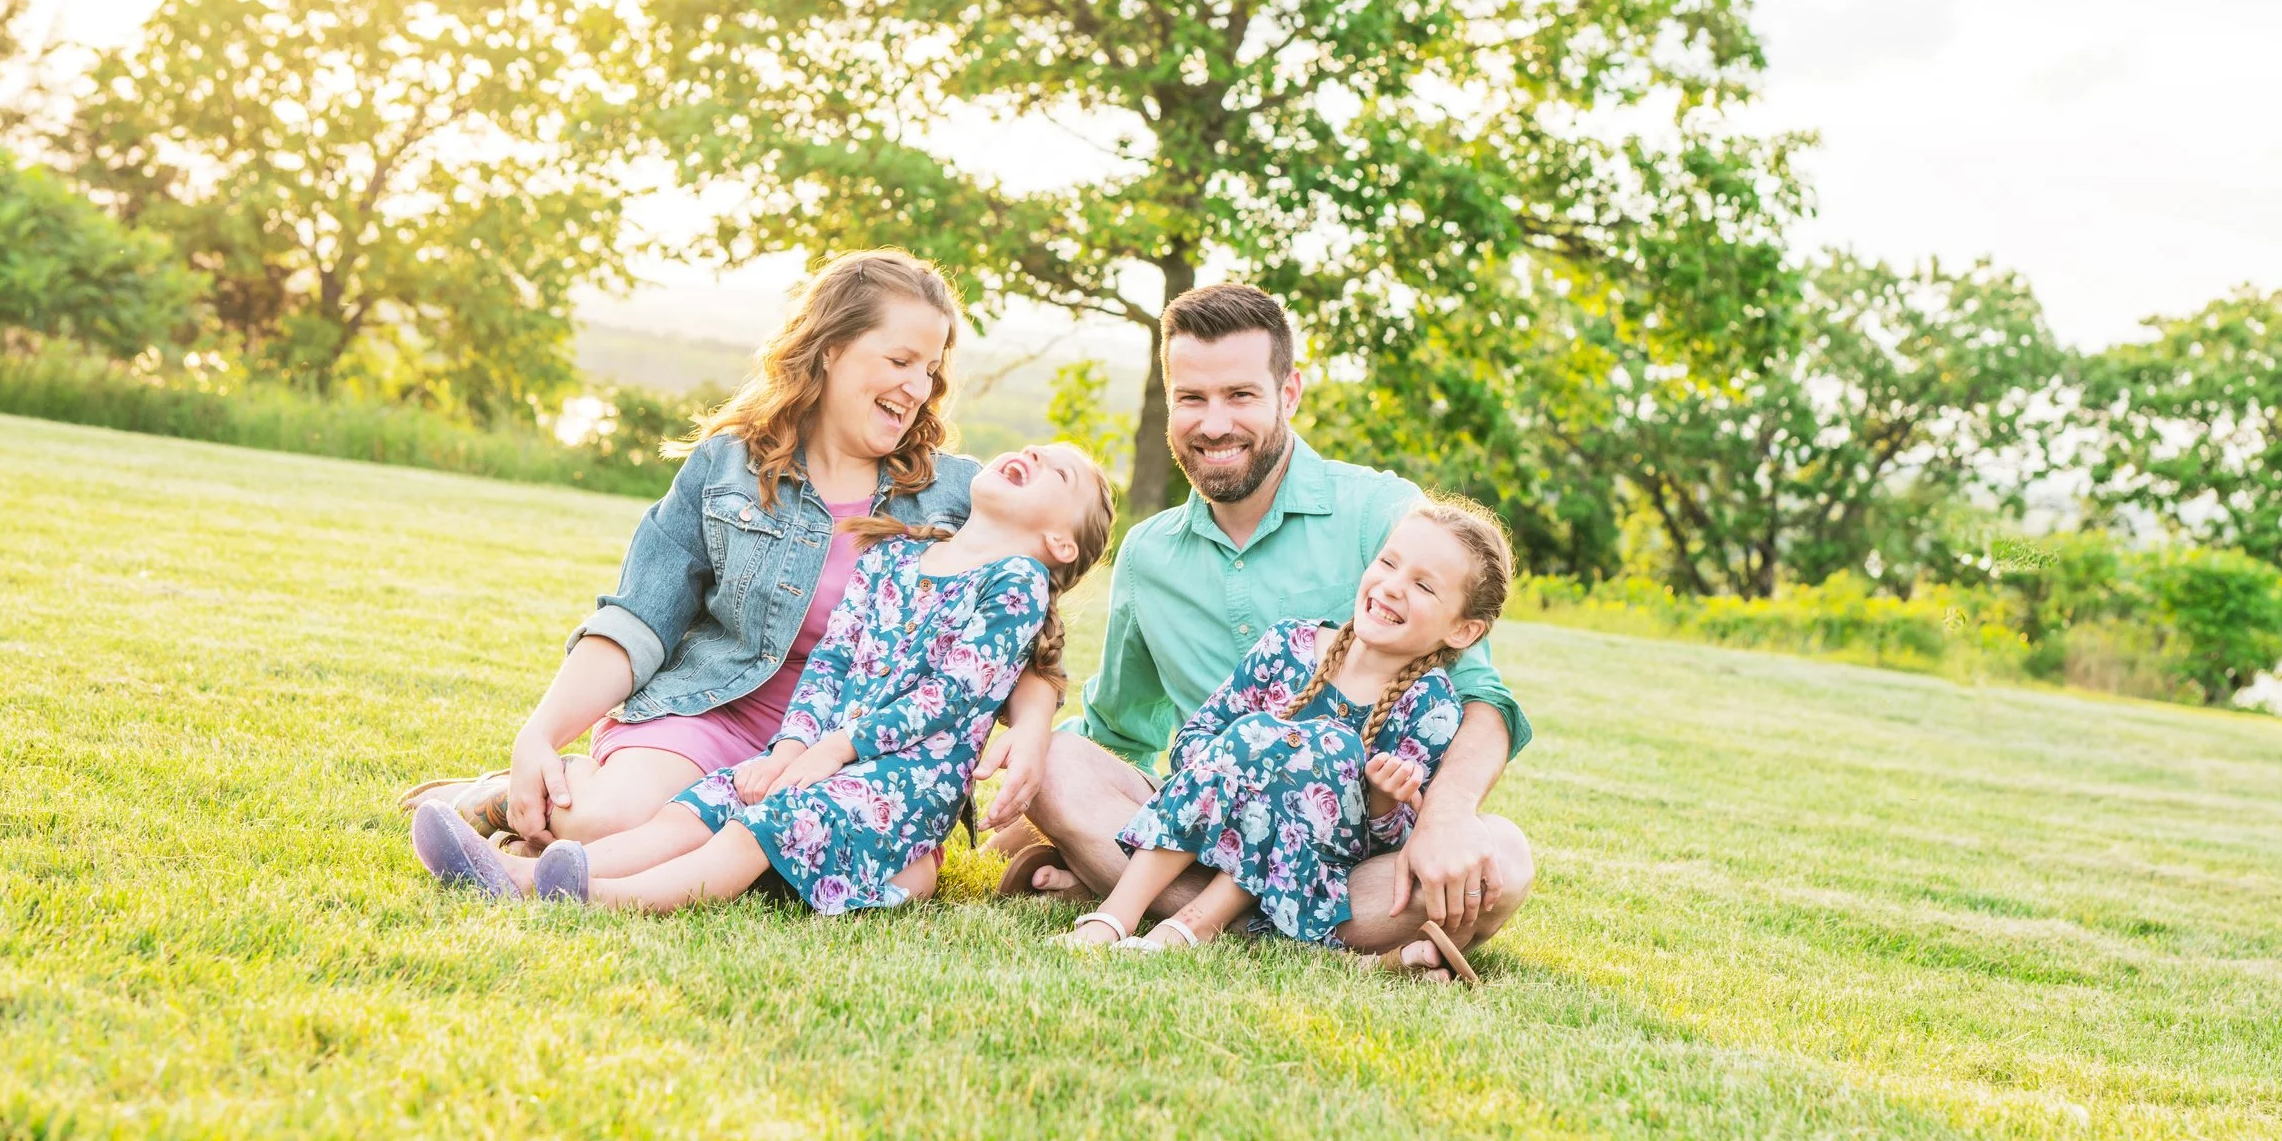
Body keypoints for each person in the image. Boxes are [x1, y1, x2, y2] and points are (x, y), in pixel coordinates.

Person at [403, 250, 1056, 853]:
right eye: (899, 360)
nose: (917, 386)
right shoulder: (727, 465)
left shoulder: (957, 495)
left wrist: (1030, 724)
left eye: (931, 369)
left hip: (851, 754)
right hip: (711, 715)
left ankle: (575, 820)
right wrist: (539, 734)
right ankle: (528, 789)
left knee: (784, 861)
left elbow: (1010, 640)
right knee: (604, 823)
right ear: (830, 348)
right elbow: (639, 619)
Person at [988, 283, 1536, 979]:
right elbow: (1118, 727)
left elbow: (1483, 694)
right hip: (1205, 818)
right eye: (1191, 398)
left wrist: (1447, 812)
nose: (1214, 423)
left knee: (1503, 858)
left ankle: (1167, 907)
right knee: (1056, 763)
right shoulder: (1150, 553)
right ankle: (1301, 937)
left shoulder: (1385, 513)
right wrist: (1041, 800)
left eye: (1241, 395)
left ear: (1290, 392)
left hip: (1351, 857)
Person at [412, 444, 1115, 913]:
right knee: (696, 808)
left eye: (1060, 471)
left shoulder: (1015, 582)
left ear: (1059, 542)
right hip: (812, 754)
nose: (1031, 452)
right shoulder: (893, 556)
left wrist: (832, 750)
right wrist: (790, 748)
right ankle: (528, 873)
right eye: (1033, 448)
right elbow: (833, 663)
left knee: (755, 829)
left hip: (902, 780)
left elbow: (951, 694)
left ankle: (584, 893)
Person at [1056, 498, 1511, 966]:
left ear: (1462, 630)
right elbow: (1195, 740)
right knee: (1261, 736)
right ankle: (1113, 915)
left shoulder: (1431, 704)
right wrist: (1248, 764)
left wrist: (1382, 799)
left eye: (1423, 586)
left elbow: (1393, 843)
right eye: (1388, 563)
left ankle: (1192, 923)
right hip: (1211, 816)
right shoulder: (1287, 644)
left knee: (1328, 745)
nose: (1393, 587)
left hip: (1315, 866)